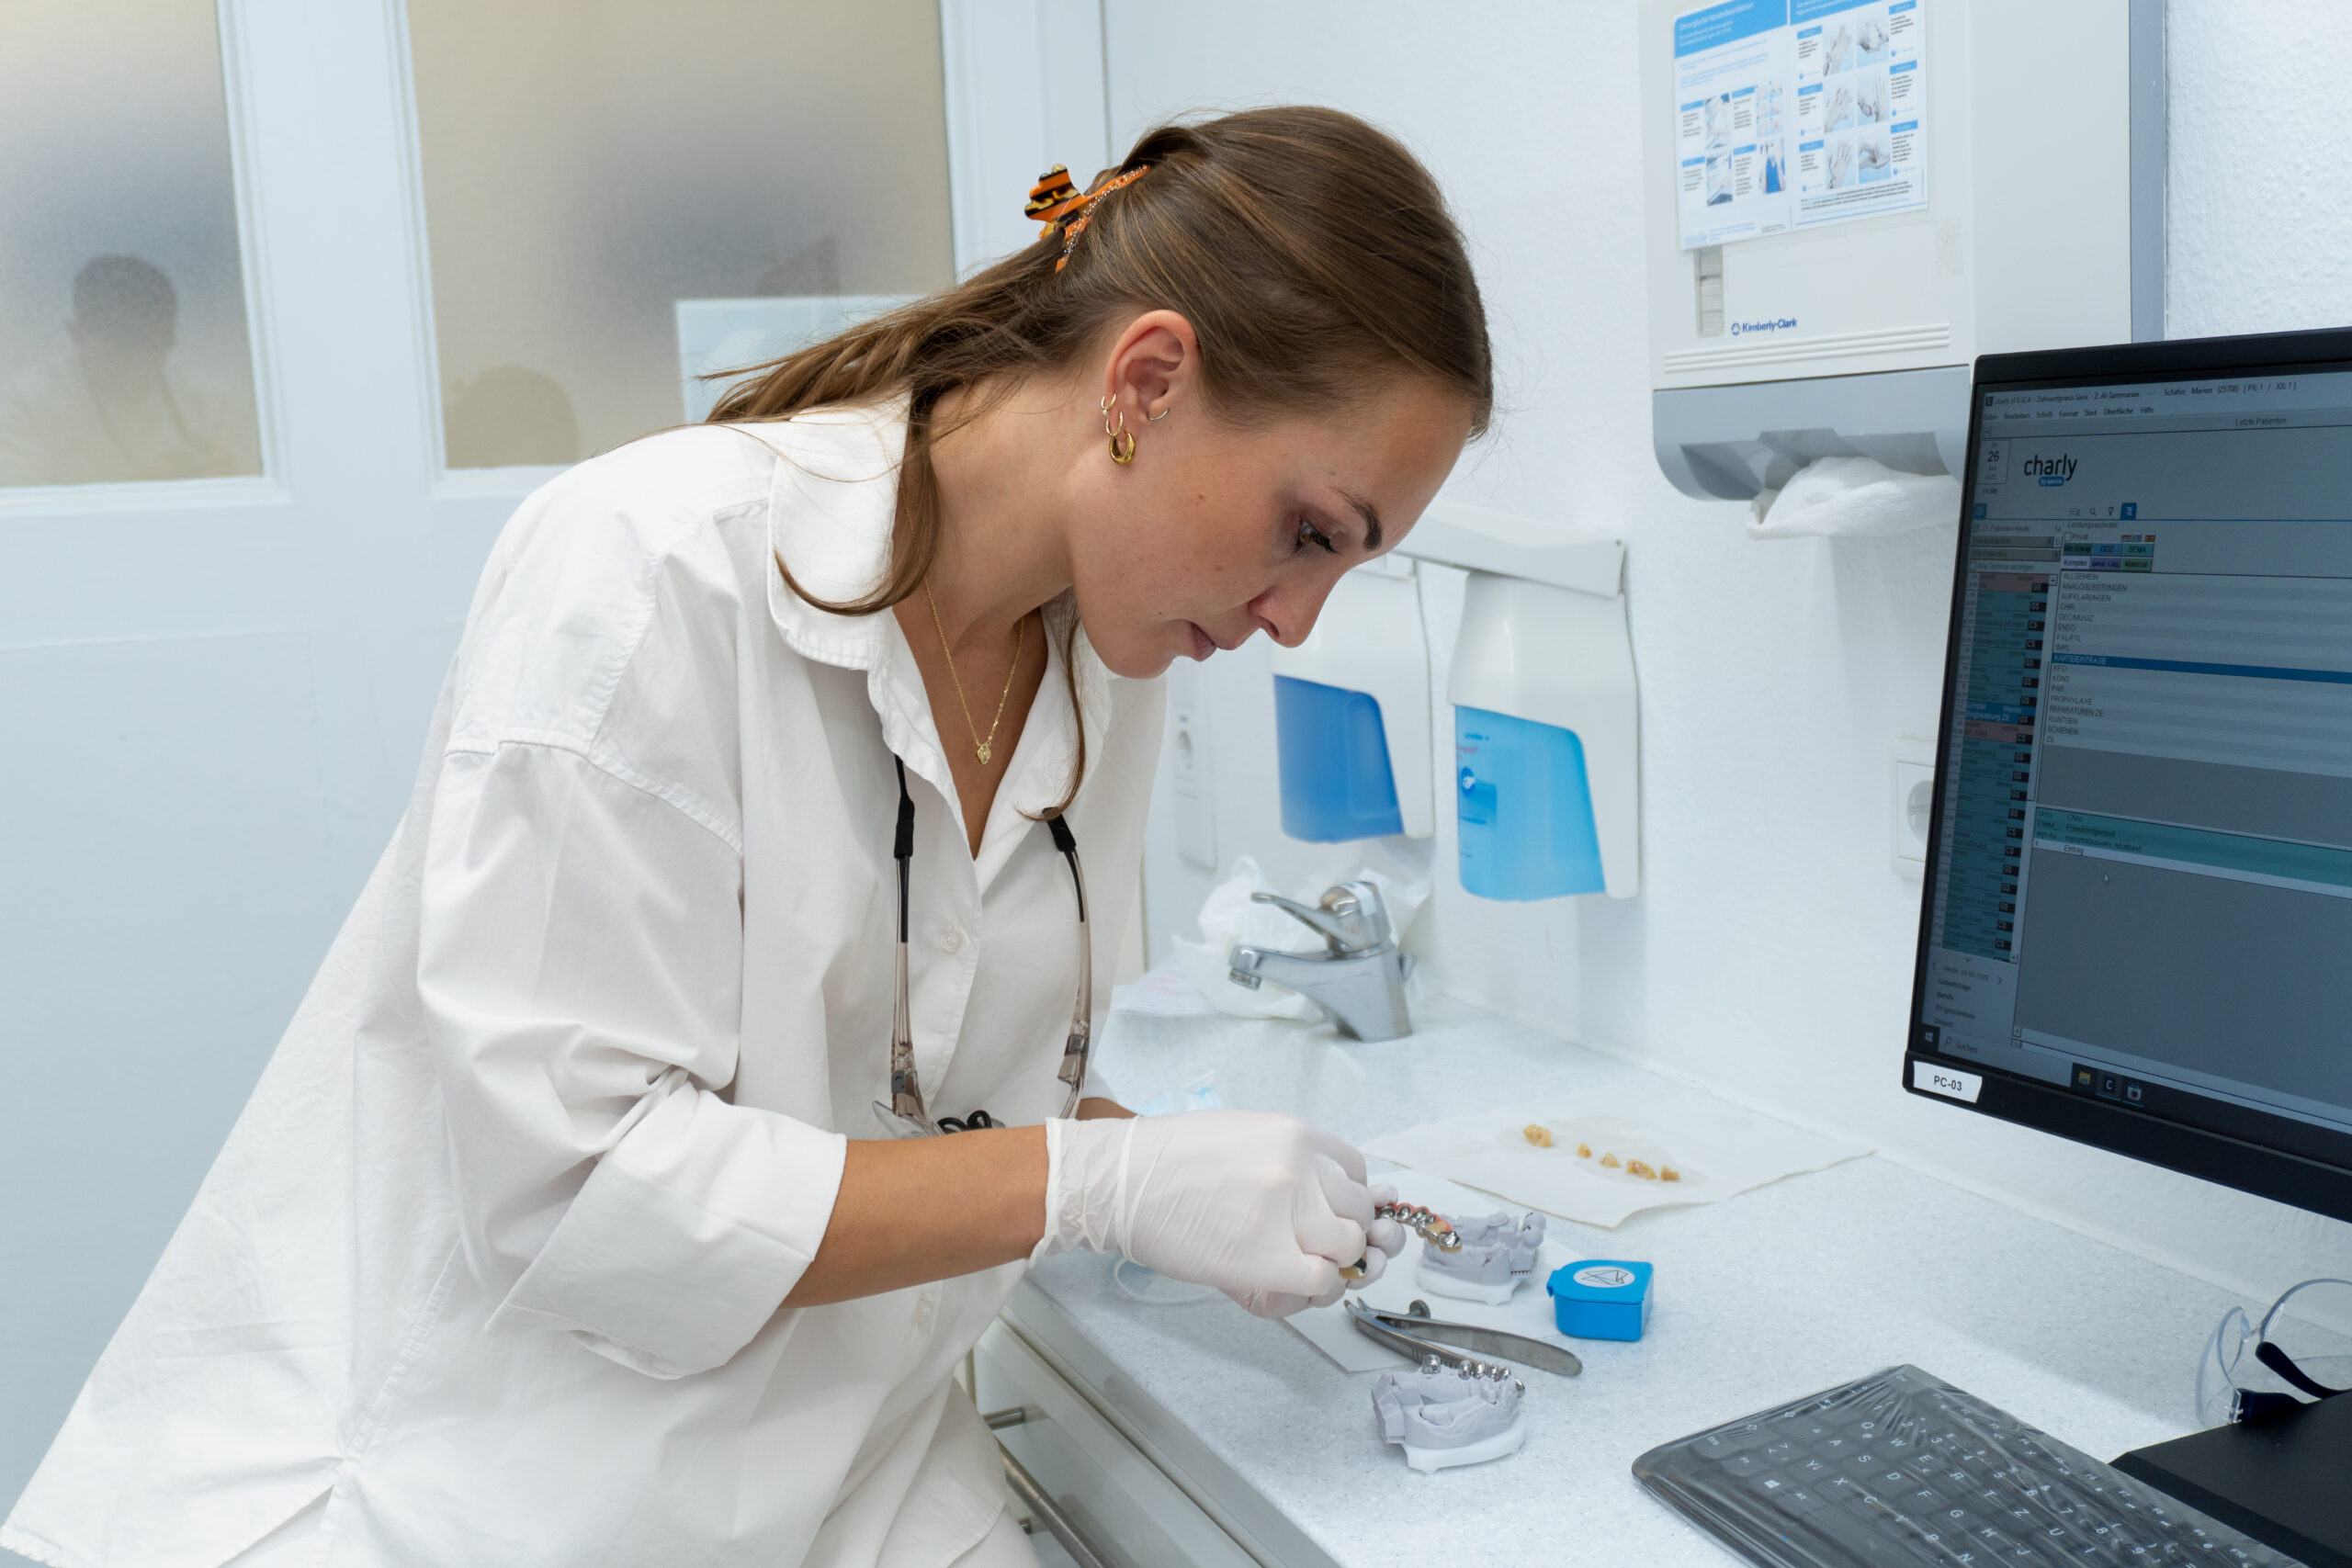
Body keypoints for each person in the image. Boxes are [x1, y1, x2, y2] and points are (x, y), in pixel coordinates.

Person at [1, 107, 1491, 1568]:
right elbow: (577, 1192)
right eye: (1311, 531)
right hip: (480, 1494)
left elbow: (921, 1088)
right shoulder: (652, 569)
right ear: (1148, 379)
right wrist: (1094, 1183)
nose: (1300, 620)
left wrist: (1180, 1176)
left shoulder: (1110, 662)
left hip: (845, 1476)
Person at [0, 255, 252, 486]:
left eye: (153, 344)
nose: (137, 364)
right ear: (76, 335)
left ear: (172, 334)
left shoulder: (212, 404)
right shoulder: (23, 407)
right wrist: (130, 492)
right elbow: (23, 515)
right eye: (124, 346)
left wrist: (233, 482)